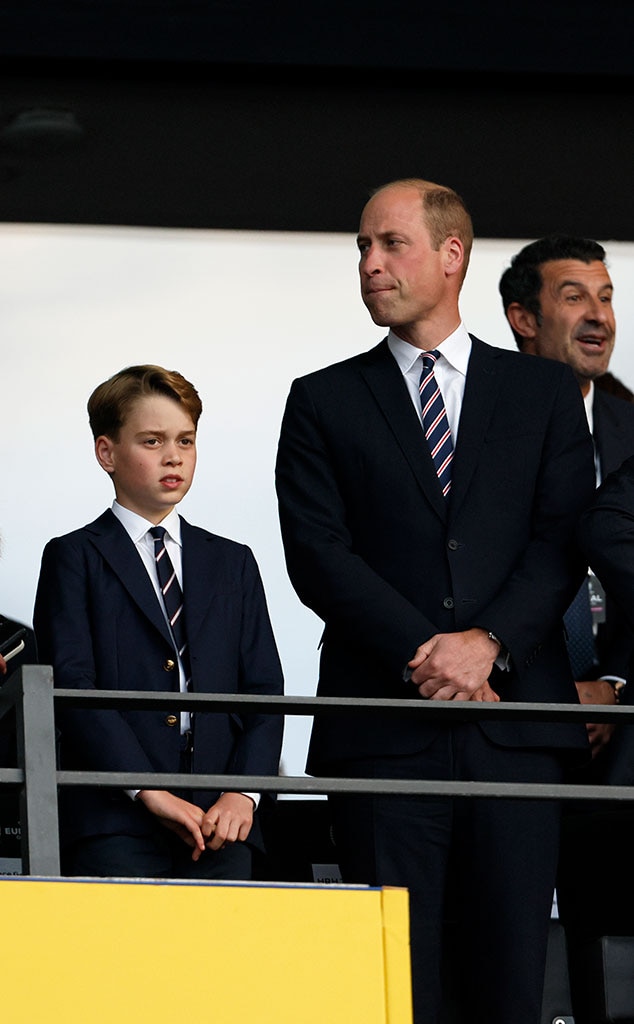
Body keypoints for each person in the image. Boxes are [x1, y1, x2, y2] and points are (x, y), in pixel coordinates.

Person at [275, 178, 595, 1024]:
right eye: (362, 249)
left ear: (451, 255)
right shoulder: (323, 400)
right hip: (384, 734)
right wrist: (433, 654)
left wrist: (487, 641)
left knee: (508, 987)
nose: (370, 265)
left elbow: (562, 540)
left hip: (517, 732)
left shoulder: (543, 393)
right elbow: (317, 556)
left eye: (390, 244)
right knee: (394, 990)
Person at [34, 364, 284, 880]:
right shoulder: (73, 557)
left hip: (223, 823)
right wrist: (149, 790)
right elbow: (72, 689)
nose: (173, 456)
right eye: (152, 441)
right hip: (114, 822)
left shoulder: (234, 562)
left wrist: (243, 792)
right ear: (106, 453)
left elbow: (264, 691)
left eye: (186, 441)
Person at [500, 237, 634, 964]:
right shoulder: (475, 429)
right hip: (513, 719)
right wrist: (554, 690)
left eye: (607, 296)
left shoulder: (631, 428)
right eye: (575, 296)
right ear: (523, 316)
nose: (600, 315)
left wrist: (614, 685)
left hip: (622, 728)